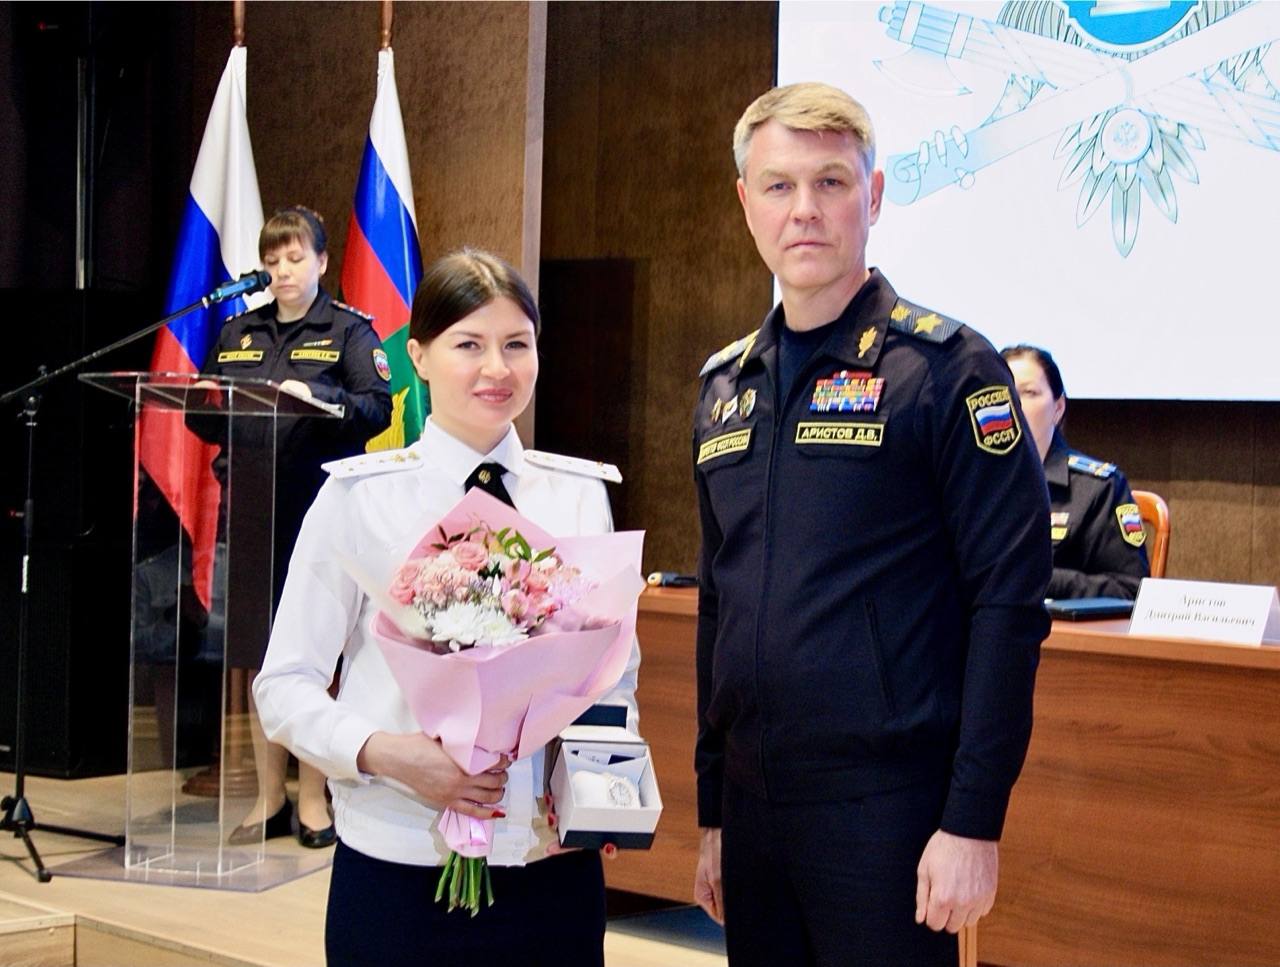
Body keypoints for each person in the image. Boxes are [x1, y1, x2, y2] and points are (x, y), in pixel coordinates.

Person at [691, 82, 1053, 965]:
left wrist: (973, 819)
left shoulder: (944, 370)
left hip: (887, 811)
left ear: (876, 195)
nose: (804, 210)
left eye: (832, 182)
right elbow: (718, 604)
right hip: (752, 808)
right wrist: (712, 810)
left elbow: (1009, 604)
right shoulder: (725, 385)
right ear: (745, 202)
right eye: (778, 185)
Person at [253, 248, 639, 966]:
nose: (497, 368)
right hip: (400, 867)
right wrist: (387, 755)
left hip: (549, 869)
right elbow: (283, 687)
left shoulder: (577, 494)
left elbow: (612, 677)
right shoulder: (360, 497)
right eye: (468, 344)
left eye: (516, 344)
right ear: (419, 356)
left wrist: (600, 786)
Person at [201, 206, 393, 848]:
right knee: (261, 654)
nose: (282, 270)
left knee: (316, 653)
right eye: (272, 260)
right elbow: (202, 409)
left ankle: (314, 799)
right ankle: (268, 797)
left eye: (294, 257)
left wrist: (322, 400)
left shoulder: (348, 331)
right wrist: (211, 406)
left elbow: (376, 408)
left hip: (320, 512)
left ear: (321, 261)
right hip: (252, 509)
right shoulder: (238, 332)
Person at [1001, 344, 1150, 599]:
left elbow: (1130, 589)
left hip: (1053, 623)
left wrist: (1039, 580)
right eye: (1004, 392)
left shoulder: (1099, 488)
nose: (1014, 403)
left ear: (1058, 408)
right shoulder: (966, 481)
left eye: (1029, 392)